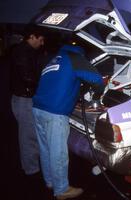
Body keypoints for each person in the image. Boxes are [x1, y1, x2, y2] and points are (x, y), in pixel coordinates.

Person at [32, 39, 104, 200]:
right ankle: (62, 190)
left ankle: (50, 182)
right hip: (54, 113)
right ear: (83, 52)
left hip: (38, 108)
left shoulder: (56, 58)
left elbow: (60, 81)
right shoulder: (76, 58)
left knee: (46, 149)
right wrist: (97, 95)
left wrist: (77, 89)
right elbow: (98, 80)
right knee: (59, 153)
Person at [10, 25, 45, 177]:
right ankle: (31, 170)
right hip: (24, 99)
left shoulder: (24, 51)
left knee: (29, 135)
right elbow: (28, 78)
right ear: (32, 37)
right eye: (40, 39)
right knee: (28, 136)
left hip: (22, 98)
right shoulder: (23, 52)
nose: (42, 43)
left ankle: (32, 166)